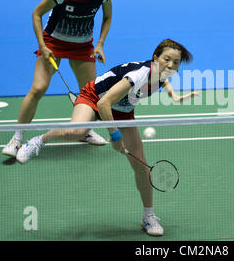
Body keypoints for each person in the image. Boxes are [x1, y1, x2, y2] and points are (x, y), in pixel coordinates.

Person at [16, 39, 199, 236]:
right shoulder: (137, 76)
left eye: (176, 62)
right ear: (155, 58)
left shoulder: (162, 74)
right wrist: (115, 136)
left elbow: (164, 81)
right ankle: (38, 141)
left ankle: (148, 216)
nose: (171, 65)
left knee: (142, 166)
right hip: (96, 98)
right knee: (77, 131)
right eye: (167, 59)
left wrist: (175, 97)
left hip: (123, 109)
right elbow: (104, 104)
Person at [2, 0, 113, 157]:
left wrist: (99, 44)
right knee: (38, 88)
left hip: (83, 45)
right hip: (54, 43)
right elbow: (37, 13)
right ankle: (17, 139)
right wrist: (42, 46)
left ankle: (85, 131)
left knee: (90, 94)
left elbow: (107, 17)